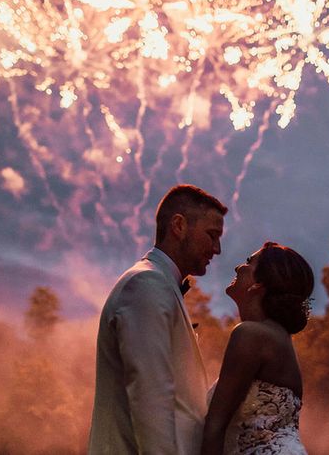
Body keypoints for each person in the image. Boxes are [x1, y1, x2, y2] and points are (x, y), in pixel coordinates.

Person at [88, 184, 227, 455]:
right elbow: (150, 395)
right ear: (179, 226)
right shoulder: (146, 282)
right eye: (212, 235)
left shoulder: (160, 283)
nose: (217, 248)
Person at [202, 242, 314, 455]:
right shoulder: (277, 337)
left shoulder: (251, 334)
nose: (238, 268)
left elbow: (214, 427)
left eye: (248, 262)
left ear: (258, 285)